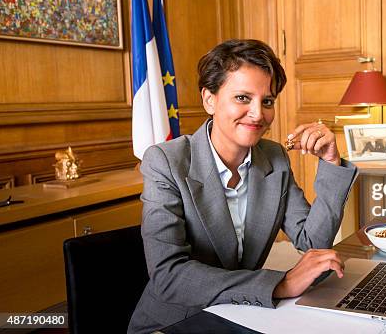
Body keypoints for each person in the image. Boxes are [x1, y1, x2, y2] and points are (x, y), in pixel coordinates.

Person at [128, 39, 358, 333]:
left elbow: (311, 243)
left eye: (267, 101)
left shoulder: (274, 157)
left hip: (243, 316)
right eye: (242, 98)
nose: (258, 114)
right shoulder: (166, 161)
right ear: (209, 99)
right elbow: (169, 275)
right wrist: (280, 285)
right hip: (176, 323)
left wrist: (331, 162)